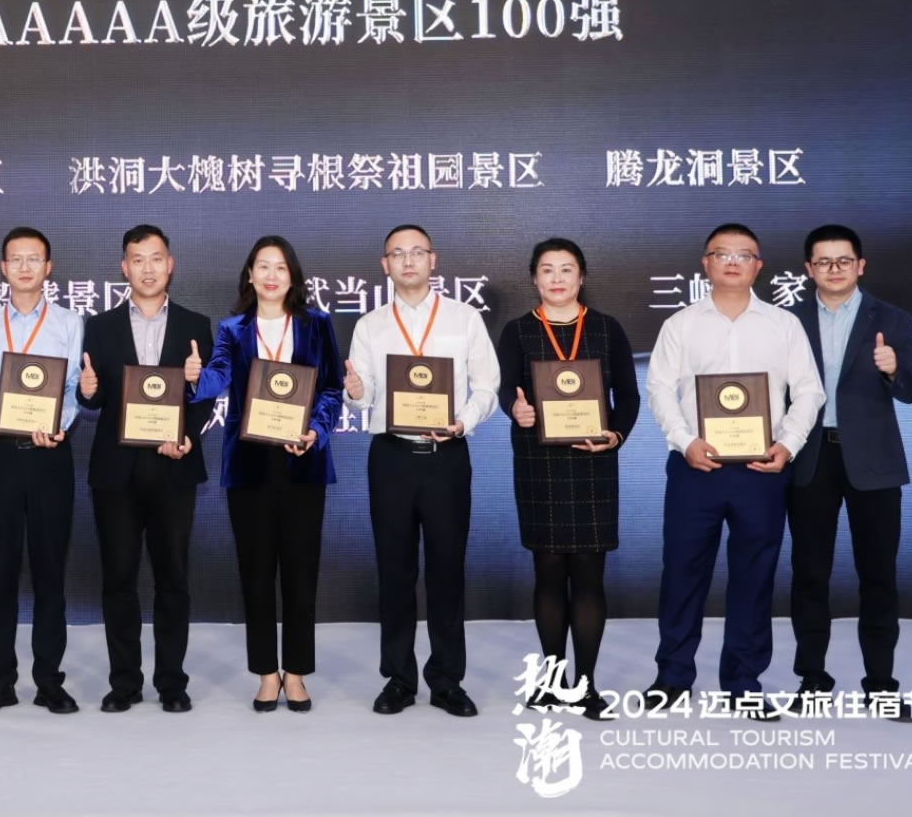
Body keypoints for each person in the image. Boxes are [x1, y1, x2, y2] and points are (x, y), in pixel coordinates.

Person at [645, 223, 824, 719]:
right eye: (721, 253)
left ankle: (743, 682)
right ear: (705, 263)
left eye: (743, 255)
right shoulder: (681, 324)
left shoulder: (783, 325)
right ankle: (672, 677)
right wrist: (686, 442)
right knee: (682, 573)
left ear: (758, 266)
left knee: (754, 576)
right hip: (694, 467)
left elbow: (809, 391)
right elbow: (659, 388)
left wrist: (787, 445)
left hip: (761, 469)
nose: (732, 262)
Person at [344, 224, 499, 719]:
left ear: (434, 260)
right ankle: (399, 678)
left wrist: (462, 422)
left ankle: (447, 680)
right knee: (395, 570)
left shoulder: (464, 318)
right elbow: (364, 395)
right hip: (390, 457)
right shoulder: (370, 325)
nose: (407, 261)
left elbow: (487, 385)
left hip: (446, 456)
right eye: (397, 254)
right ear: (384, 265)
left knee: (447, 570)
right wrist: (355, 392)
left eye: (417, 253)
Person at [188, 235, 342, 713]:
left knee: (300, 572)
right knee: (255, 573)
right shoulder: (233, 328)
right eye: (263, 266)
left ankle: (296, 673)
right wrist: (195, 377)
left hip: (303, 460)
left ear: (292, 276)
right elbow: (217, 378)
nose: (271, 275)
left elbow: (331, 390)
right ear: (250, 276)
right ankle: (266, 674)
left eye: (280, 267)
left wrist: (316, 431)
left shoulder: (317, 324)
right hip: (250, 466)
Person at [495, 237, 640, 720]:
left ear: (582, 276)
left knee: (590, 576)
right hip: (539, 464)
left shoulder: (606, 328)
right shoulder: (518, 330)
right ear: (534, 278)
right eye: (547, 269)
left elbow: (629, 396)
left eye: (566, 269)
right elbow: (506, 391)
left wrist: (616, 434)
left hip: (593, 462)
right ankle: (553, 681)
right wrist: (514, 410)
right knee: (549, 573)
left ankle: (587, 685)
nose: (557, 278)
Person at [788, 224, 912, 720]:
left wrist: (893, 368)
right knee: (809, 574)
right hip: (809, 459)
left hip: (874, 462)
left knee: (878, 575)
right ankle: (812, 678)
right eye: (823, 261)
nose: (834, 269)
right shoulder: (787, 321)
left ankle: (881, 683)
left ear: (860, 265)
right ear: (809, 269)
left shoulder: (892, 318)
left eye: (843, 260)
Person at [76, 224, 214, 713]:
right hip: (116, 472)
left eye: (156, 258)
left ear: (170, 264)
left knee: (173, 578)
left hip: (174, 467)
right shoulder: (100, 326)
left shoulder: (196, 325)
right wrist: (87, 392)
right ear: (124, 268)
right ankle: (125, 682)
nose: (148, 269)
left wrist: (189, 426)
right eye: (138, 260)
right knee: (118, 579)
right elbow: (93, 399)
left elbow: (205, 397)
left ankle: (172, 682)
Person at [0, 227, 85, 714]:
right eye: (16, 259)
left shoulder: (70, 323)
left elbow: (73, 388)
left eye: (34, 259)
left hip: (49, 456)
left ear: (48, 268)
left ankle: (49, 680)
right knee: (0, 573)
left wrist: (59, 424)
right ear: (3, 268)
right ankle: (0, 680)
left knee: (50, 571)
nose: (25, 267)